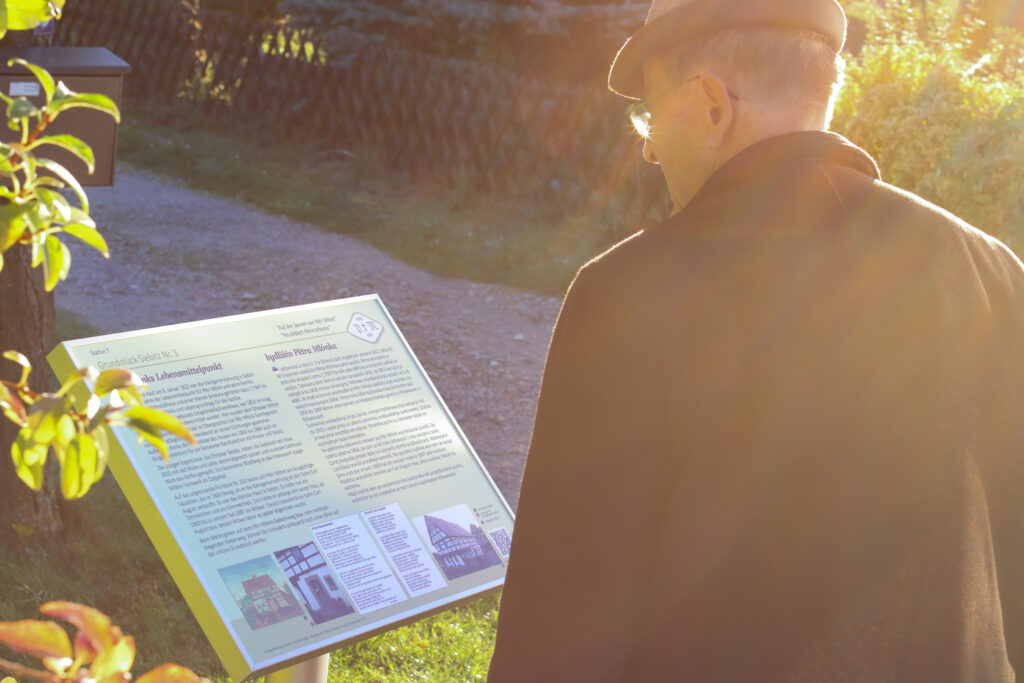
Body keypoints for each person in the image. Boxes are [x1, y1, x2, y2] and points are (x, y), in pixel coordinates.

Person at [487, 0, 1024, 680]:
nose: (649, 147)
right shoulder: (994, 272)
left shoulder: (627, 296)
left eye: (650, 115)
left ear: (712, 106)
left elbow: (561, 630)